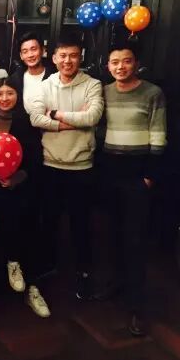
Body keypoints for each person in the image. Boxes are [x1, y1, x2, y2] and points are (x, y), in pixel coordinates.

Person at [29, 33, 104, 300]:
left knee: (81, 224)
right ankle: (48, 267)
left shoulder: (92, 84)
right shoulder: (45, 85)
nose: (67, 61)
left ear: (80, 57)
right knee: (48, 221)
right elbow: (35, 118)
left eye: (73, 55)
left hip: (82, 167)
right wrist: (71, 123)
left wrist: (55, 114)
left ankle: (83, 273)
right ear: (54, 58)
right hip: (50, 164)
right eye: (62, 55)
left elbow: (93, 116)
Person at [100, 43, 166, 336]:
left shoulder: (153, 93)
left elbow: (159, 136)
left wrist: (149, 176)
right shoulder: (104, 91)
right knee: (112, 234)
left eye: (126, 61)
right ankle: (116, 284)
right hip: (108, 173)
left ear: (136, 63)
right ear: (108, 66)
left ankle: (137, 306)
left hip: (138, 176)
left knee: (135, 240)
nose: (120, 67)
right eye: (115, 62)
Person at [0, 77, 49, 317]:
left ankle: (28, 280)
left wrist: (15, 179)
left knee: (26, 210)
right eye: (0, 94)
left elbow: (35, 160)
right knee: (6, 204)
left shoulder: (26, 123)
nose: (4, 98)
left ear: (18, 95)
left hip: (20, 184)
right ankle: (13, 262)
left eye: (10, 93)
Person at [9, 32, 56, 114]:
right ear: (21, 56)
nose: (30, 55)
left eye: (33, 49)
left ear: (43, 50)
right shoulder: (15, 79)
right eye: (25, 51)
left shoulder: (54, 77)